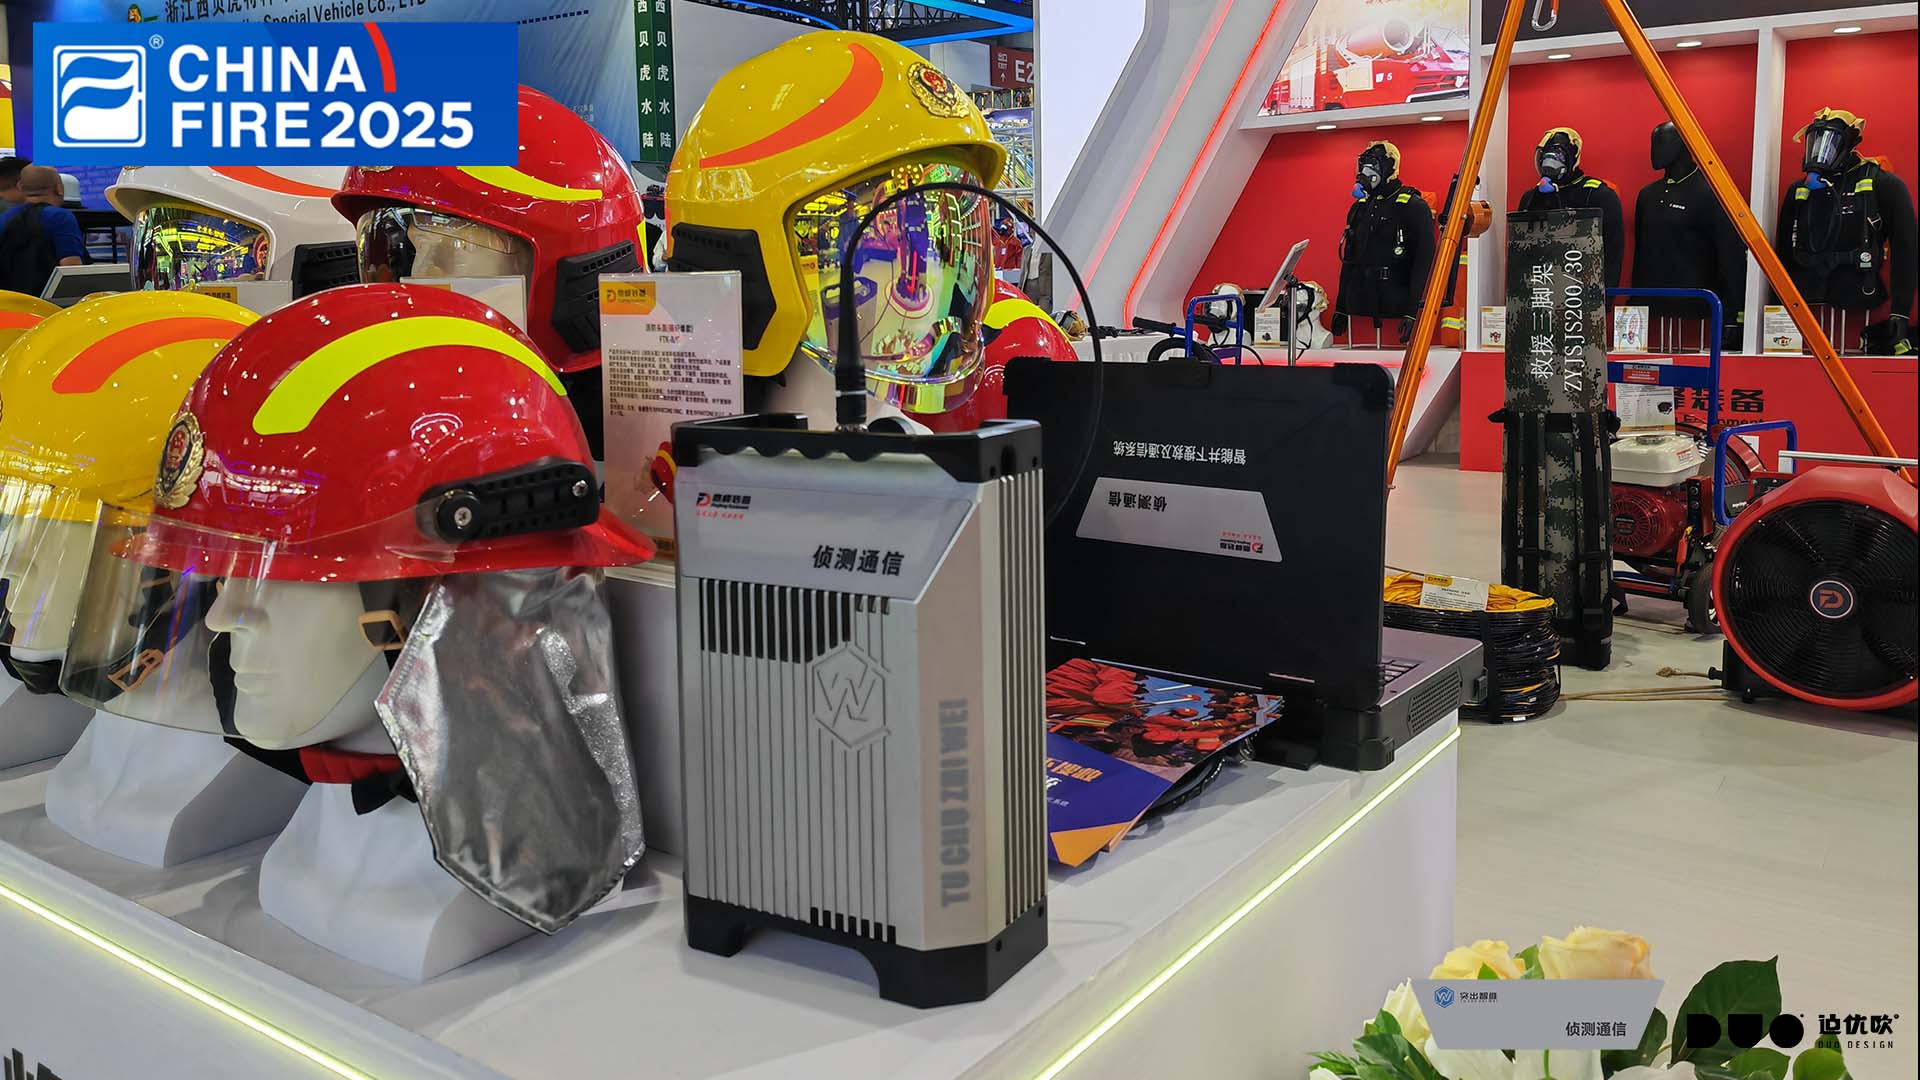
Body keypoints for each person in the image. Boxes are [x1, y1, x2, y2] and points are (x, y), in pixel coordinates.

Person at [0, 165, 89, 297]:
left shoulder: (4, 219)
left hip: (12, 302)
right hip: (49, 303)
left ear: (20, 187)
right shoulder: (60, 217)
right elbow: (71, 267)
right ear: (59, 188)